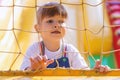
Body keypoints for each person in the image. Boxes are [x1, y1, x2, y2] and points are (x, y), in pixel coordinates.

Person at [20, 2, 110, 72]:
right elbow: (22, 75)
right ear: (38, 28)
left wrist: (95, 72)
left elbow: (84, 74)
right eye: (50, 21)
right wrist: (33, 69)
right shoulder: (35, 49)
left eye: (61, 21)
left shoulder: (70, 50)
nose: (56, 25)